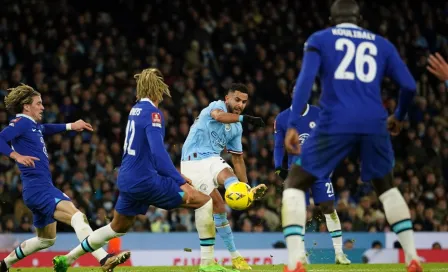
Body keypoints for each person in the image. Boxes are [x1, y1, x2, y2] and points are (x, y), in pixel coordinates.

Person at [281, 0, 422, 272]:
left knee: (295, 183)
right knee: (387, 187)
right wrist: (400, 117)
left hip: (336, 119)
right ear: (359, 18)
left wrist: (293, 123)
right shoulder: (382, 44)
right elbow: (409, 86)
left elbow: (305, 81)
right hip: (375, 121)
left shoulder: (320, 39)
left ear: (333, 18)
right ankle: (414, 257)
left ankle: (296, 261)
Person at [53, 68, 237, 272]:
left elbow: (147, 152)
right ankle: (207, 263)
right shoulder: (153, 113)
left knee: (117, 227)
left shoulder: (136, 110)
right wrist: (179, 179)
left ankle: (67, 259)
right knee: (204, 201)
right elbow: (159, 154)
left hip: (128, 179)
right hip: (146, 180)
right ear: (159, 89)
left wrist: (173, 175)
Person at [0, 84, 127, 272]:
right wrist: (16, 156)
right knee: (77, 217)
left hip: (34, 190)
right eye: (39, 103)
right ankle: (103, 258)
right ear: (26, 106)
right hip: (40, 189)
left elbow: (46, 128)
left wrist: (70, 126)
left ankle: (4, 265)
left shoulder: (32, 126)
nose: (43, 107)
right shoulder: (22, 123)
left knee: (46, 239)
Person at [181, 83, 267, 270]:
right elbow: (219, 117)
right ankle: (225, 257)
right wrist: (246, 118)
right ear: (227, 98)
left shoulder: (236, 127)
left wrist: (246, 189)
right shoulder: (215, 106)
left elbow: (237, 159)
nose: (240, 105)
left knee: (231, 181)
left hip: (212, 159)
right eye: (237, 100)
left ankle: (235, 258)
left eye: (244, 102)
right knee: (217, 205)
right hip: (192, 161)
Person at [274, 81, 350, 265]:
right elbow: (278, 145)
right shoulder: (282, 118)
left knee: (328, 208)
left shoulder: (318, 113)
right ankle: (300, 254)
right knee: (297, 210)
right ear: (292, 94)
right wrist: (278, 167)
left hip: (319, 169)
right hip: (296, 171)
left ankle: (339, 253)